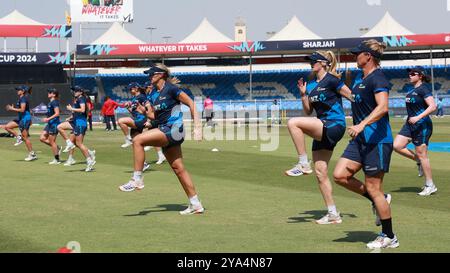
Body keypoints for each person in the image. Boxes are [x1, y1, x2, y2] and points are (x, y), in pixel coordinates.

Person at [333, 40, 399, 249]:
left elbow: (383, 107)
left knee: (374, 187)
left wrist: (361, 125)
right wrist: (335, 85)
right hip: (360, 140)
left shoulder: (378, 77)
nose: (355, 56)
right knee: (340, 175)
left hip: (377, 141)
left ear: (368, 56)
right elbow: (356, 98)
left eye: (358, 54)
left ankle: (389, 236)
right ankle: (376, 200)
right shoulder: (362, 78)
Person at [118, 63, 204, 215]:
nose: (149, 76)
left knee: (138, 140)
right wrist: (141, 111)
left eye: (151, 74)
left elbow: (191, 103)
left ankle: (137, 179)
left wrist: (197, 127)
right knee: (179, 169)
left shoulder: (171, 89)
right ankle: (195, 204)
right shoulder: (152, 95)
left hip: (173, 129)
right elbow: (154, 116)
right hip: (165, 129)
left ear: (160, 75)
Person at [285, 51, 354, 224]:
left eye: (314, 61)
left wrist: (363, 122)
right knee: (320, 173)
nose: (311, 63)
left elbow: (353, 97)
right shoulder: (310, 86)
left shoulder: (332, 80)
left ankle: (302, 162)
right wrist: (303, 95)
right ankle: (333, 214)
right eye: (310, 61)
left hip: (334, 124)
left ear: (323, 63)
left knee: (293, 123)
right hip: (322, 125)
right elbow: (308, 111)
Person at [393, 66, 437, 196]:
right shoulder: (413, 90)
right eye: (410, 73)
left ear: (420, 76)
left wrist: (418, 117)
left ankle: (430, 185)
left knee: (422, 154)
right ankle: (418, 161)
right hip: (410, 124)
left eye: (413, 73)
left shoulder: (423, 89)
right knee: (397, 145)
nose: (410, 75)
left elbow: (433, 106)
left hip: (422, 125)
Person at [0, 85, 37, 161]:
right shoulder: (21, 98)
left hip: (24, 119)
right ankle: (18, 137)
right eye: (17, 90)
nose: (17, 91)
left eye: (19, 90)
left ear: (22, 91)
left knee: (25, 138)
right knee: (7, 127)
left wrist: (12, 108)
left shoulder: (23, 99)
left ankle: (32, 154)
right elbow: (25, 109)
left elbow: (23, 110)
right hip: (21, 118)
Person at [66, 86, 96, 172]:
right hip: (79, 123)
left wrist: (71, 109)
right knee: (76, 143)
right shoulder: (80, 99)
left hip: (80, 123)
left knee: (78, 143)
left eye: (76, 91)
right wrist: (71, 117)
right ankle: (90, 153)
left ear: (80, 92)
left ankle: (89, 159)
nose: (74, 92)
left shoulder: (81, 99)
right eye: (74, 91)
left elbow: (82, 110)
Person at [117, 82, 147, 148]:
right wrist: (128, 107)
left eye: (131, 89)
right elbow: (134, 113)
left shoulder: (142, 97)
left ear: (136, 89)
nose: (129, 91)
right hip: (137, 119)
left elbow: (148, 108)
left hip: (141, 120)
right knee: (136, 143)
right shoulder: (134, 98)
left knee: (121, 121)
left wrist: (143, 111)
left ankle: (128, 139)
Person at [143, 81, 166, 165]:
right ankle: (160, 154)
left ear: (150, 87)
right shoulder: (149, 95)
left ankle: (161, 155)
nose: (145, 90)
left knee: (154, 137)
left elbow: (154, 108)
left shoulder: (154, 94)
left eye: (146, 88)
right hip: (153, 117)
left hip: (157, 117)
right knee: (150, 134)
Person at [39, 88, 62, 164]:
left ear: (54, 94)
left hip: (54, 124)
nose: (48, 93)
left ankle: (57, 159)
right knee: (42, 138)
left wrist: (47, 119)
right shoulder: (50, 103)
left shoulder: (54, 102)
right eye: (48, 92)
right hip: (50, 123)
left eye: (50, 92)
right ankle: (57, 148)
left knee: (52, 141)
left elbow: (57, 113)